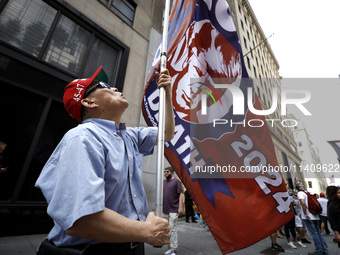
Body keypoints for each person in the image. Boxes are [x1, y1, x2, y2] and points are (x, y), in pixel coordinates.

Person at [35, 66, 175, 255]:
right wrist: (147, 230)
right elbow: (82, 220)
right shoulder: (82, 138)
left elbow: (166, 133)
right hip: (93, 250)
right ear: (88, 102)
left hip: (130, 246)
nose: (115, 88)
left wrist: (167, 94)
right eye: (104, 86)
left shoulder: (129, 136)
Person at [297, 183, 329, 255]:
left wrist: (305, 214)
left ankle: (318, 251)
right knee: (318, 233)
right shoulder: (307, 193)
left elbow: (303, 203)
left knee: (314, 233)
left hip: (308, 216)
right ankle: (325, 251)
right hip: (315, 215)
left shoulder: (300, 193)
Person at [163, 167, 184, 255]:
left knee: (173, 229)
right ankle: (169, 248)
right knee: (167, 230)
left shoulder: (176, 181)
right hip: (165, 209)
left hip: (173, 209)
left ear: (172, 172)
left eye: (167, 172)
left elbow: (181, 194)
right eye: (164, 172)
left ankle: (174, 249)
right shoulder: (163, 182)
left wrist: (180, 207)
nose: (165, 173)